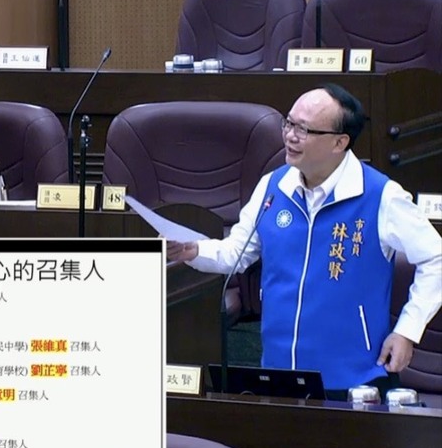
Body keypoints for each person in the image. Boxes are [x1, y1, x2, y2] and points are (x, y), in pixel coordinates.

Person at [167, 84, 442, 399]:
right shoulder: (272, 187)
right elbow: (235, 254)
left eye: (304, 129)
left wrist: (407, 331)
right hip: (278, 372)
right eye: (289, 123)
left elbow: (436, 258)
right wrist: (193, 250)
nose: (290, 136)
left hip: (353, 378)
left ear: (340, 142)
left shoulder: (381, 196)